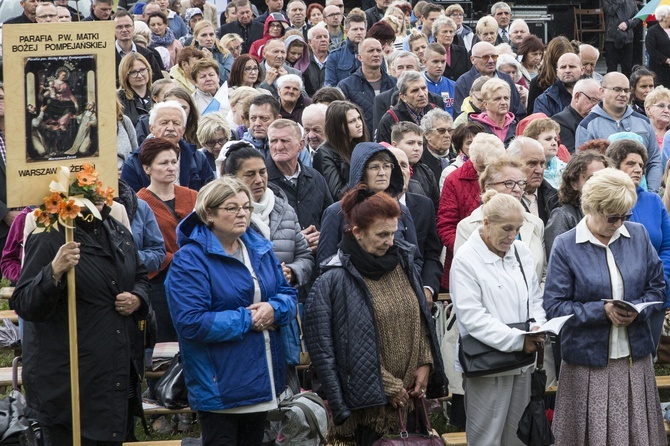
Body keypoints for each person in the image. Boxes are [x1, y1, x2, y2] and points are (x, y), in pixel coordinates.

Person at [304, 185, 446, 445]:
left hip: (410, 402)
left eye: (393, 233)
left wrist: (425, 363)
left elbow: (420, 318)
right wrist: (386, 386)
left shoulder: (403, 265)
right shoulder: (333, 281)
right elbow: (333, 349)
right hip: (367, 412)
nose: (390, 242)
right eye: (382, 234)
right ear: (357, 232)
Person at [166, 176, 298, 446]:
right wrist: (249, 319)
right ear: (209, 214)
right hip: (221, 384)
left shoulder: (259, 248)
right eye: (232, 207)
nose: (242, 213)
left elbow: (288, 295)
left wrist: (274, 309)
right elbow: (191, 322)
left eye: (246, 207)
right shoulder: (190, 260)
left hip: (261, 378)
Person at [543, 168, 666, 445]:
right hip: (588, 363)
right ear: (592, 208)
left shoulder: (638, 235)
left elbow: (657, 287)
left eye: (625, 216)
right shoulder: (566, 245)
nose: (619, 223)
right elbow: (555, 305)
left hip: (634, 359)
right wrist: (602, 312)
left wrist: (636, 310)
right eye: (612, 217)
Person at [12, 196, 150, 444]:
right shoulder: (49, 235)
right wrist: (53, 271)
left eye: (100, 187)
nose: (96, 193)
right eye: (87, 187)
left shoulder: (115, 228)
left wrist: (137, 298)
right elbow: (25, 303)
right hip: (69, 389)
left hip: (114, 380)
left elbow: (140, 275)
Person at [450, 190, 546, 446]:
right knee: (486, 439)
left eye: (517, 228)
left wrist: (537, 326)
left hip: (523, 360)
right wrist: (517, 340)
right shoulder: (466, 260)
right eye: (506, 228)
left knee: (518, 438)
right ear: (486, 223)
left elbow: (534, 298)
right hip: (486, 365)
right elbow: (472, 318)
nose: (512, 236)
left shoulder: (521, 251)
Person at [225, 139, 314, 293]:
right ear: (232, 178)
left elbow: (304, 256)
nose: (259, 180)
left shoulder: (284, 210)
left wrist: (292, 272)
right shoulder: (224, 215)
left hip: (283, 301)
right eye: (250, 174)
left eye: (262, 172)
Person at [606, 139, 670, 347]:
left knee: (647, 358)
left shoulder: (653, 201)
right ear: (615, 166)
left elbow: (668, 245)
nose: (638, 169)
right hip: (618, 298)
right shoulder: (605, 202)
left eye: (641, 165)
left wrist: (662, 277)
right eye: (630, 164)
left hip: (655, 293)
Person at [315, 142, 420, 267]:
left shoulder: (400, 210)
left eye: (387, 166)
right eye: (374, 167)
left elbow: (415, 259)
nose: (382, 172)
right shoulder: (337, 212)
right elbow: (325, 262)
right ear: (361, 171)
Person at [454, 156, 546, 284]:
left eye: (521, 183)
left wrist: (534, 301)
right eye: (509, 183)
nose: (517, 189)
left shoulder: (535, 223)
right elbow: (464, 279)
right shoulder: (468, 226)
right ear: (488, 187)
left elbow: (544, 275)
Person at [437, 133, 506, 290]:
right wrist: (470, 252)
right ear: (472, 159)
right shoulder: (454, 180)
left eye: (492, 167)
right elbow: (446, 226)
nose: (485, 174)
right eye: (481, 168)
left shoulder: (505, 179)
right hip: (465, 264)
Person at [576, 72, 663, 192]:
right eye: (617, 89)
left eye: (626, 90)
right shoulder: (587, 126)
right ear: (602, 91)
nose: (623, 94)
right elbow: (584, 168)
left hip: (641, 195)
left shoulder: (644, 122)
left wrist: (651, 192)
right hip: (607, 198)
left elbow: (654, 161)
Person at [265, 119, 333, 248]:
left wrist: (321, 238)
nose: (278, 147)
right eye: (273, 141)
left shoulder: (316, 178)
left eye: (285, 141)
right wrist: (297, 242)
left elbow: (329, 220)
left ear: (301, 145)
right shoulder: (261, 182)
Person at [545, 150, 608, 256]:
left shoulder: (616, 214)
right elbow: (558, 260)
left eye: (604, 177)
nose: (599, 183)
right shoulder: (563, 216)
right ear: (574, 183)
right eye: (591, 178)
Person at [338, 38, 397, 134]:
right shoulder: (346, 86)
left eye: (378, 50)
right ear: (359, 57)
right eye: (370, 51)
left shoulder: (395, 83)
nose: (376, 54)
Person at [454, 41, 524, 120]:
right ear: (473, 59)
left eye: (494, 56)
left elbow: (518, 112)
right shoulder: (463, 82)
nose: (491, 61)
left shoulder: (506, 79)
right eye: (485, 57)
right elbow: (460, 114)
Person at [313, 101, 368, 200]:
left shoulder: (357, 147)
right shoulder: (324, 153)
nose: (359, 124)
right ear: (338, 126)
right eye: (352, 121)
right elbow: (337, 195)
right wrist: (360, 170)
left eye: (359, 118)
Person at [508, 136, 560, 225]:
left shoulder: (556, 198)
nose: (539, 170)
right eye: (532, 164)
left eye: (542, 164)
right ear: (513, 164)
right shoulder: (501, 199)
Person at [376, 71, 436, 144]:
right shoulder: (390, 120)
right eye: (415, 91)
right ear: (403, 97)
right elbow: (384, 151)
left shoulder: (435, 111)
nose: (422, 94)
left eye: (423, 88)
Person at [552, 78, 602, 154]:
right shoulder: (560, 121)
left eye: (600, 102)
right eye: (593, 100)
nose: (597, 106)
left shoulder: (598, 120)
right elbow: (572, 155)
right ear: (577, 97)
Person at [527, 37, 574, 115]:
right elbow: (531, 117)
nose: (567, 70)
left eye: (570, 65)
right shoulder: (538, 83)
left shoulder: (579, 83)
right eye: (562, 65)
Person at [469, 78, 516, 146]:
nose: (503, 102)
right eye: (497, 99)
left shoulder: (516, 125)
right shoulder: (474, 129)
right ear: (485, 104)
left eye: (506, 98)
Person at [533, 53, 583, 118]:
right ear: (557, 72)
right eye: (563, 67)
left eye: (572, 66)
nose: (567, 70)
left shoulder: (593, 95)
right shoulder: (544, 101)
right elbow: (541, 126)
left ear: (582, 70)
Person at [325, 11, 367, 87]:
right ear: (346, 32)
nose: (359, 32)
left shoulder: (375, 53)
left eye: (362, 29)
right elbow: (330, 86)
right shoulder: (334, 56)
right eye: (355, 29)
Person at [523, 118, 566, 188]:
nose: (554, 143)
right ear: (533, 142)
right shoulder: (525, 172)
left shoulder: (565, 168)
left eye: (555, 139)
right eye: (548, 139)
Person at [440, 122, 486, 186]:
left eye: (479, 141)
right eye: (469, 143)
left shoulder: (492, 167)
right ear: (460, 147)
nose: (475, 145)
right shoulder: (450, 172)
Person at [603, 0, 640, 77]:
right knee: (611, 68)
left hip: (628, 37)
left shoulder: (631, 1)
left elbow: (637, 17)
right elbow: (610, 11)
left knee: (627, 67)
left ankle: (626, 87)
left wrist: (628, 23)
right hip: (612, 37)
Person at [118, 52, 153, 127]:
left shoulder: (157, 93)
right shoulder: (119, 99)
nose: (139, 75)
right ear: (125, 75)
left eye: (142, 70)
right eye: (133, 72)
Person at [432, 17, 470, 82]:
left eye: (451, 31)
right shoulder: (430, 52)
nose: (448, 35)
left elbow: (467, 73)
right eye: (445, 32)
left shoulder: (462, 51)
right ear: (436, 34)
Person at [646, 5, 670, 90]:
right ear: (663, 17)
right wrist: (666, 60)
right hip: (659, 68)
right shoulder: (652, 31)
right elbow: (651, 49)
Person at [645, 86, 670, 164]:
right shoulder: (642, 133)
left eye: (669, 107)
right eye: (661, 106)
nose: (666, 110)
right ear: (648, 110)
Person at [304, 26, 329, 97]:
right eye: (318, 37)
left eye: (325, 36)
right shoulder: (304, 63)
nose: (323, 40)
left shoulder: (335, 60)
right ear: (310, 42)